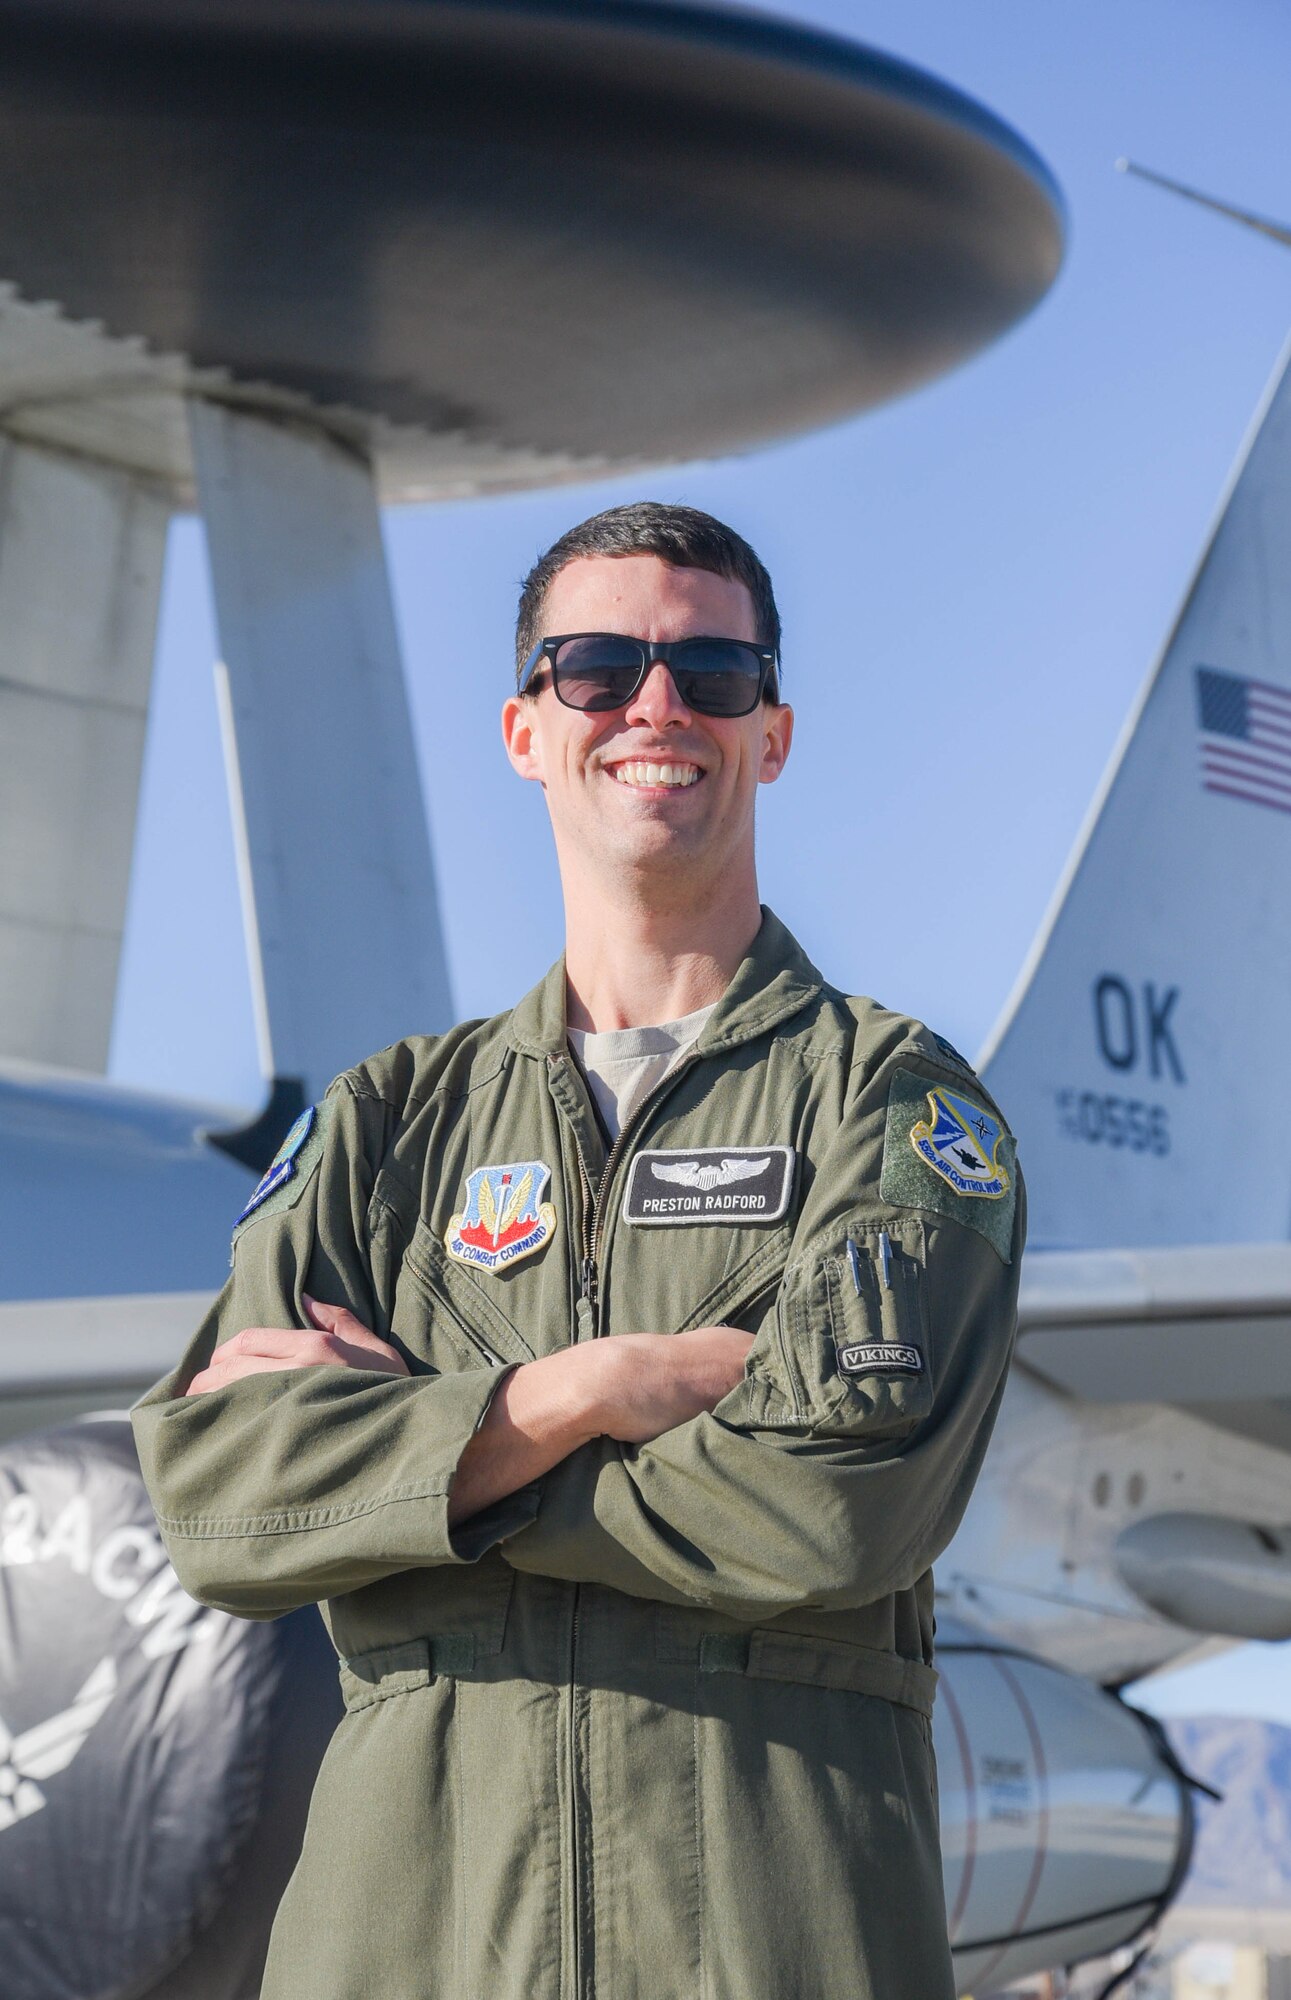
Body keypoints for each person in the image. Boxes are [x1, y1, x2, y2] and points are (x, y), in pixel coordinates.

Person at [133, 501, 1025, 2000]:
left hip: (766, 1943)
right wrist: (592, 1389)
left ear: (774, 733)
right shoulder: (389, 1123)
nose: (656, 707)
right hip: (403, 1948)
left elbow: (826, 1511)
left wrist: (411, 1474)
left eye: (713, 673)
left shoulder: (892, 1097)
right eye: (597, 669)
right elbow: (218, 1506)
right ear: (526, 728)